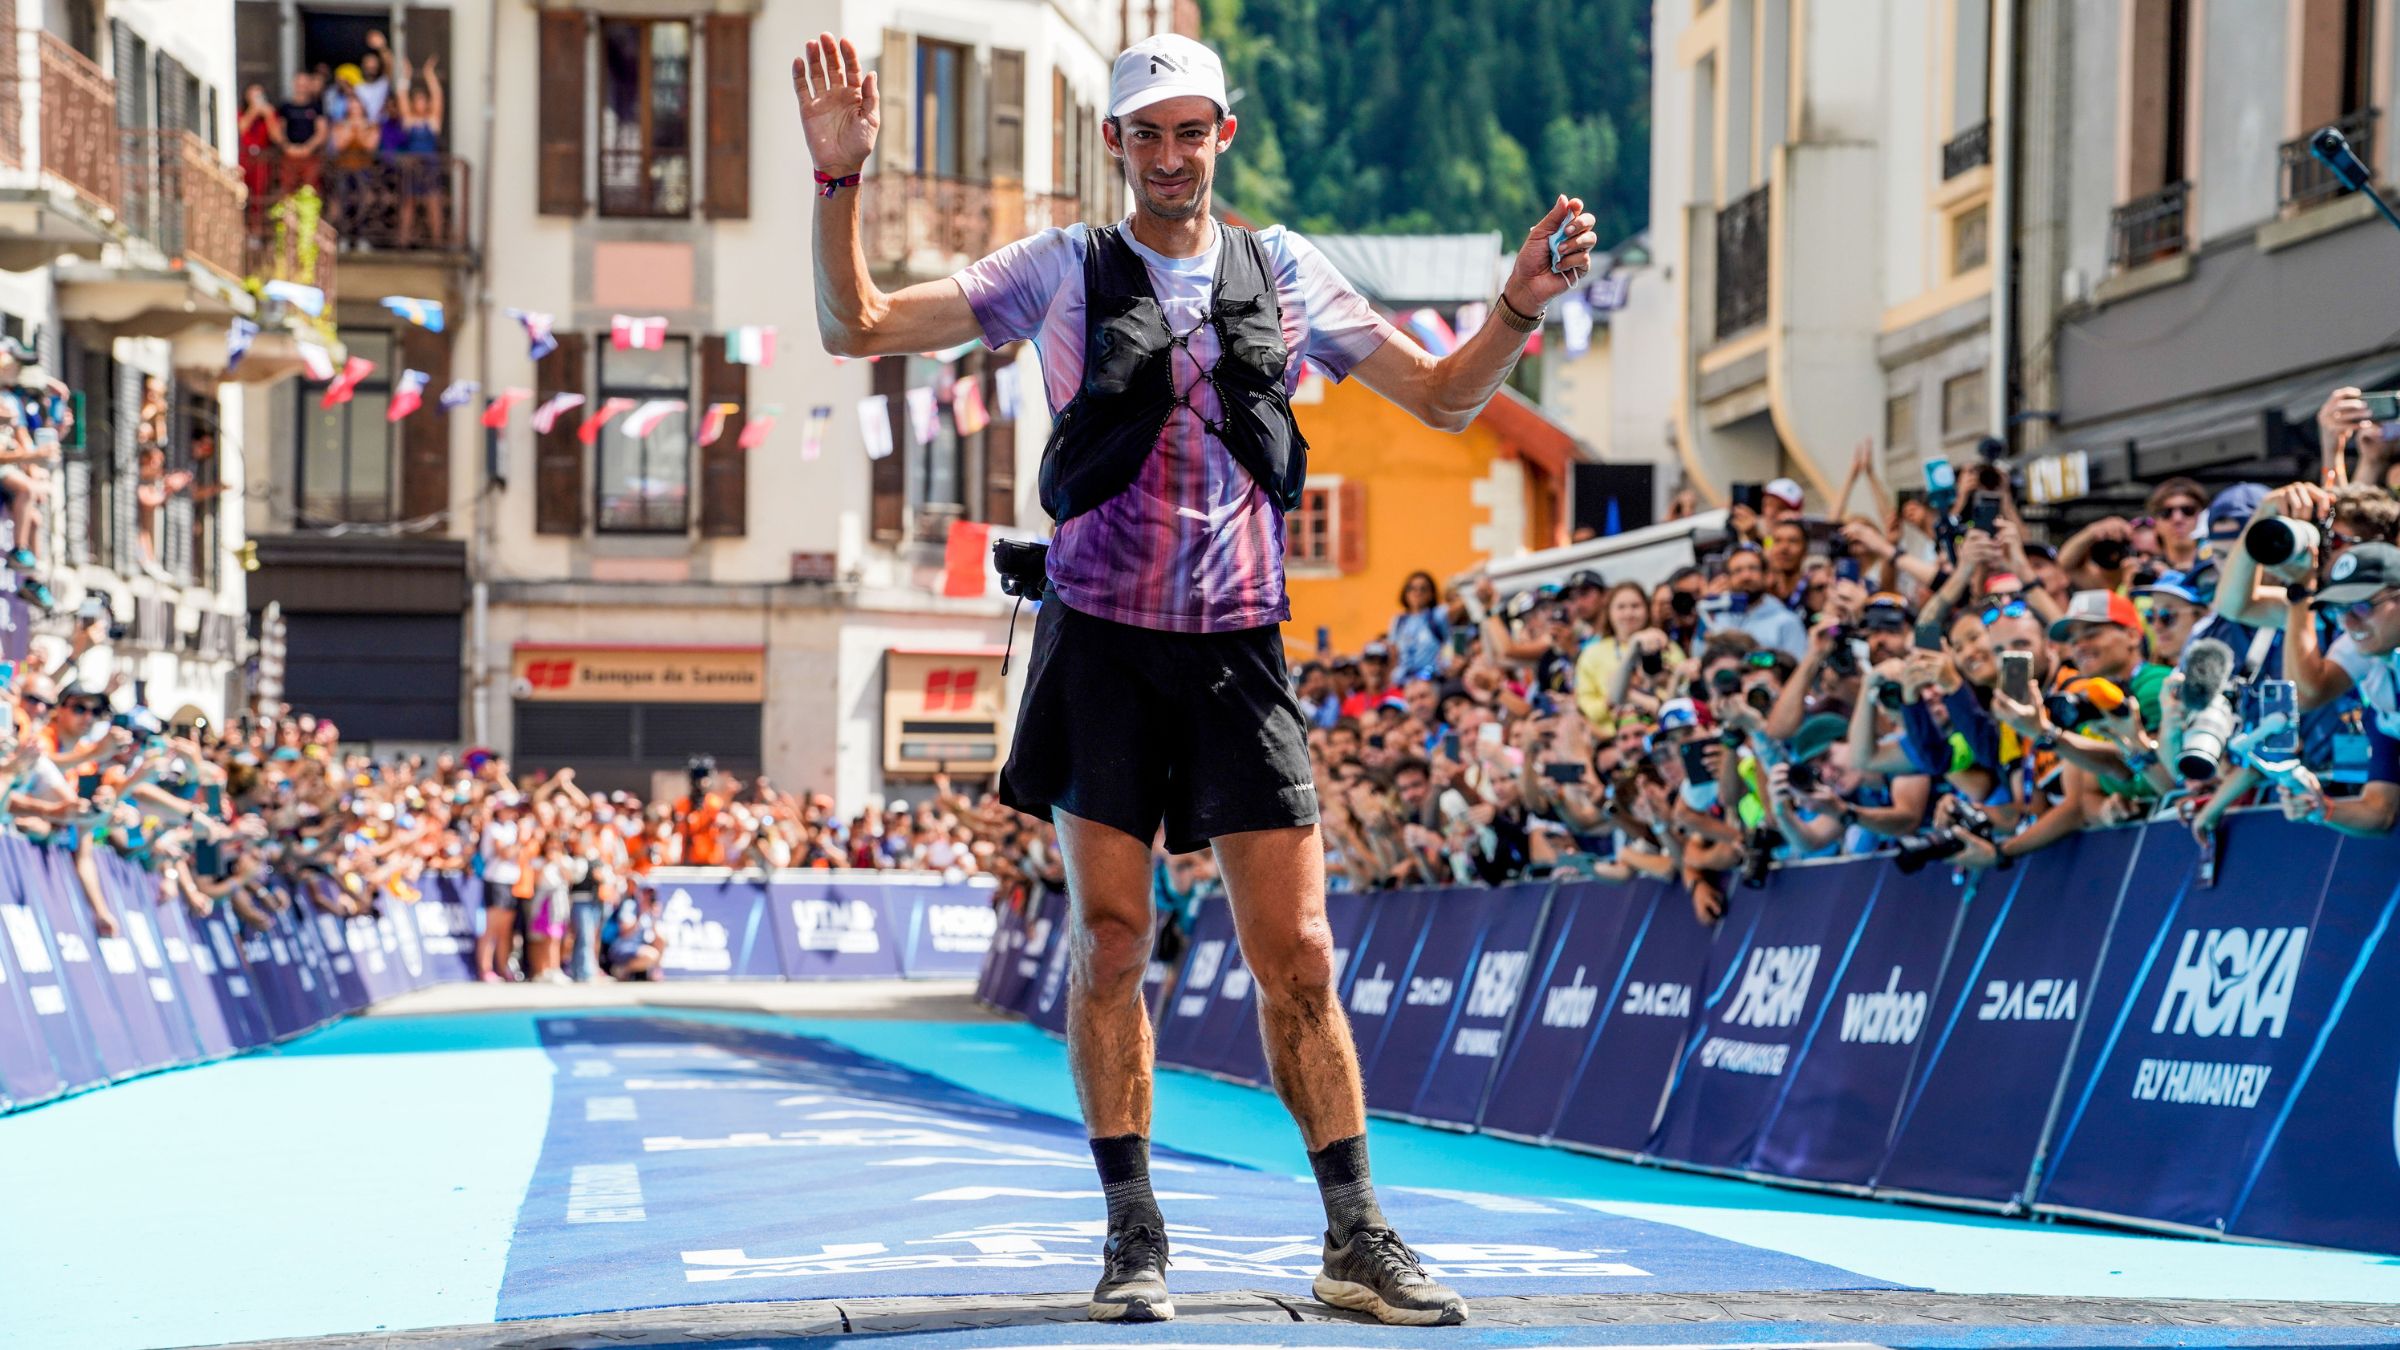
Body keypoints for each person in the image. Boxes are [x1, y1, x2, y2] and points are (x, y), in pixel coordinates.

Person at [796, 25, 1601, 1325]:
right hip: (1100, 645)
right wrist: (840, 187)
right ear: (1114, 146)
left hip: (1239, 651)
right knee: (1112, 943)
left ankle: (1356, 1233)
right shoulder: (1059, 267)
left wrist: (1514, 305)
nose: (1170, 157)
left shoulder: (1285, 271)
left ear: (1223, 136)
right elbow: (859, 327)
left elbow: (1451, 399)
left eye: (1191, 132)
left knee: (1300, 951)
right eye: (1145, 135)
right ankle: (1133, 1233)